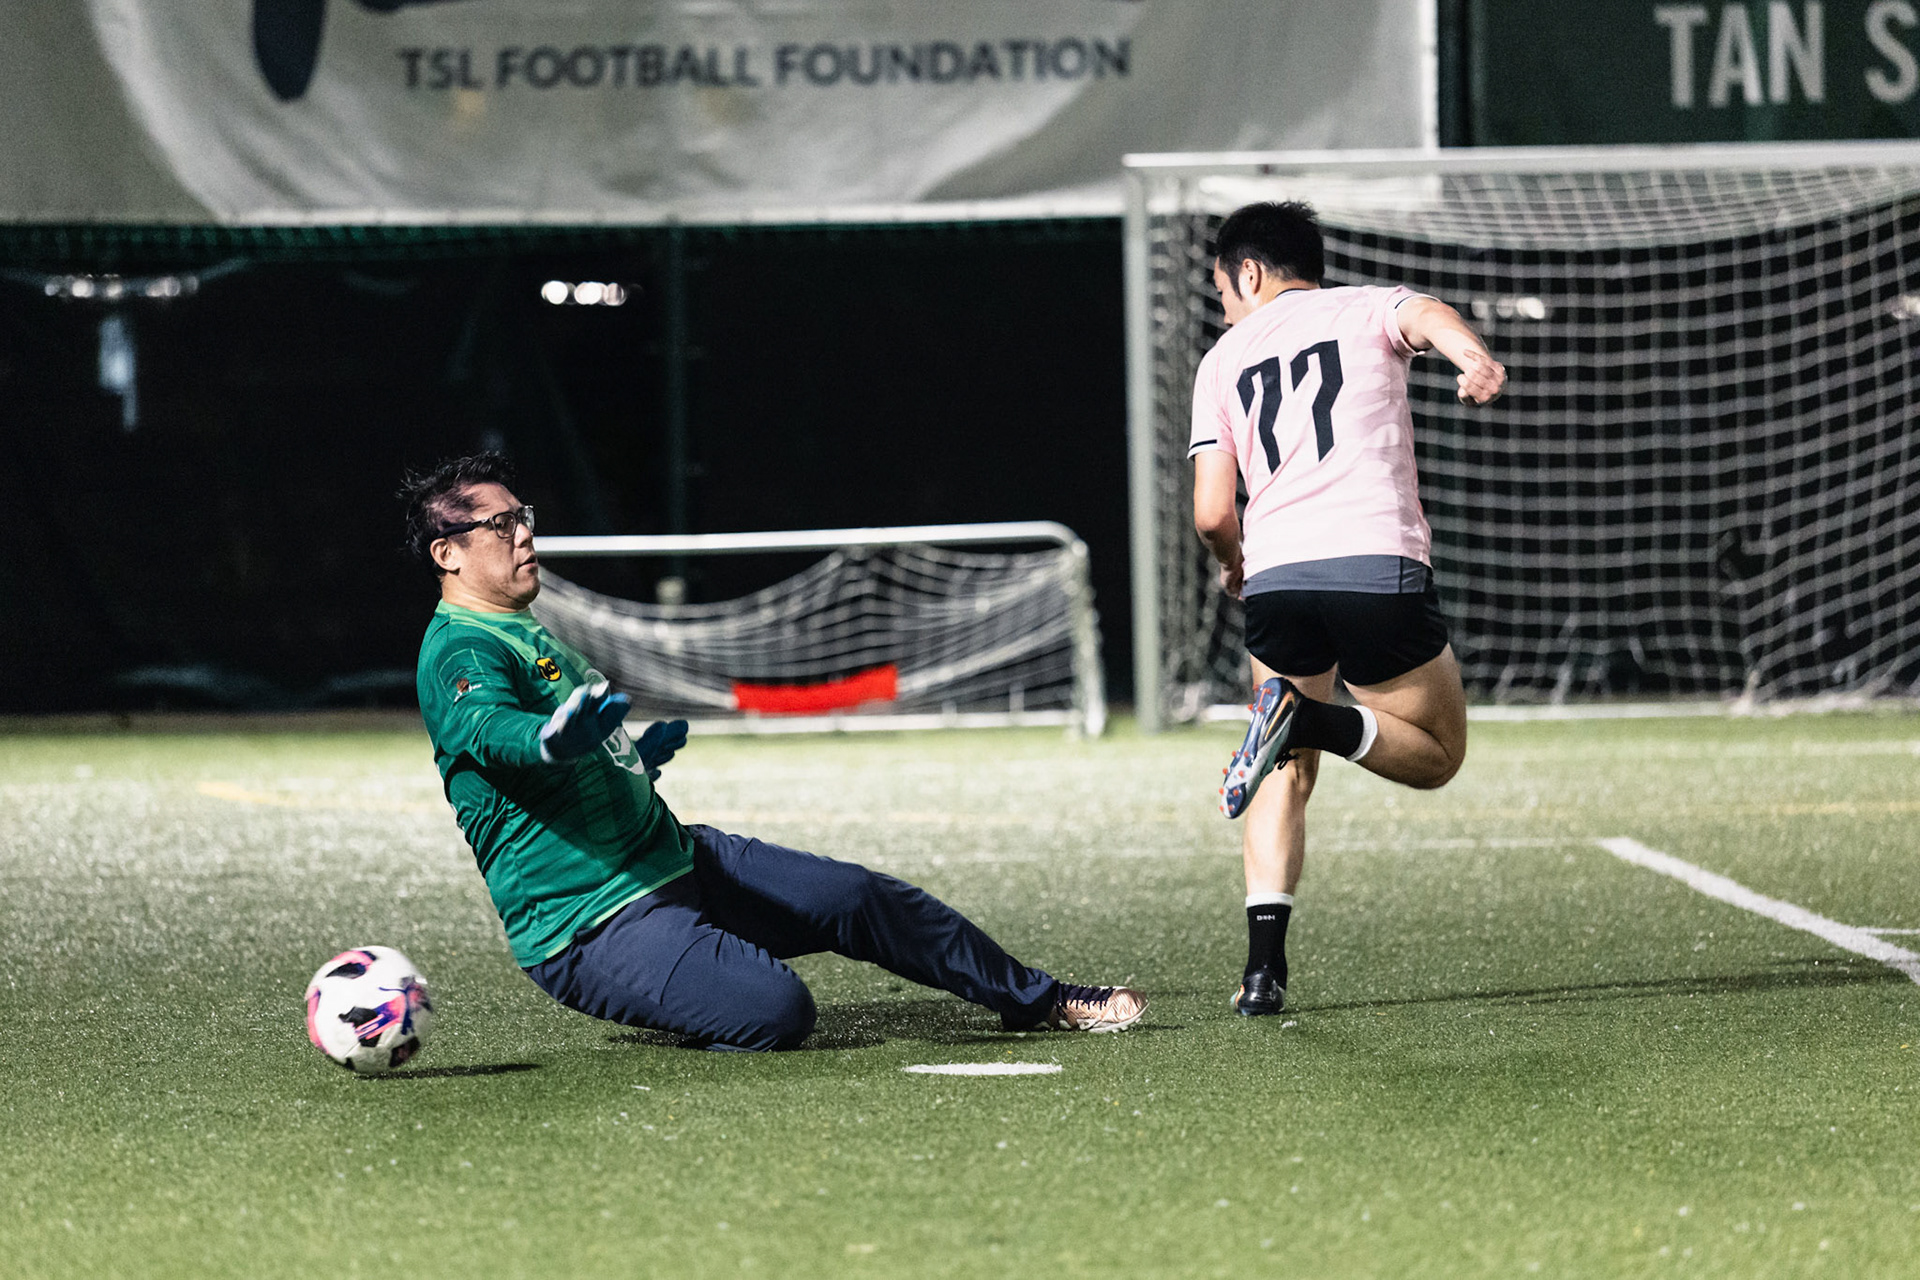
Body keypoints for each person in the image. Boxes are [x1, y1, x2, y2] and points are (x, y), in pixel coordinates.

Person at [400, 452, 1145, 1051]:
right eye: (500, 526)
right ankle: (693, 982)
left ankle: (1039, 999)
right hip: (588, 925)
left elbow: (561, 754)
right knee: (780, 1013)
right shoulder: (459, 649)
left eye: (521, 517)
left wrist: (628, 761)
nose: (524, 534)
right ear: (449, 553)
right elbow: (493, 731)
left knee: (860, 897)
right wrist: (549, 739)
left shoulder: (519, 626)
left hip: (673, 860)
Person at [1188, 201, 1506, 1018]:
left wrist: (1234, 567)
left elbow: (1213, 512)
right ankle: (1313, 719)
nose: (1224, 303)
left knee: (1282, 773)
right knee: (1436, 754)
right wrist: (1472, 358)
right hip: (1373, 560)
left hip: (1279, 577)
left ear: (1248, 272)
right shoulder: (1368, 304)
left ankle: (1263, 975)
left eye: (1221, 287)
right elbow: (1429, 316)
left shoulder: (1222, 360)